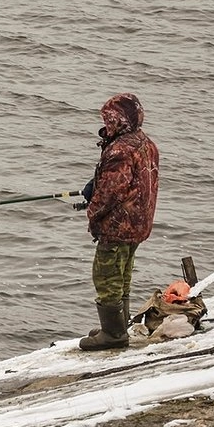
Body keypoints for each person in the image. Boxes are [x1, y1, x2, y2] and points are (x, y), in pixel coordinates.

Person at [77, 93, 160, 351]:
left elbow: (110, 193)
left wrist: (93, 213)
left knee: (106, 277)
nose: (106, 123)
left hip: (118, 225)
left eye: (109, 119)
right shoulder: (145, 143)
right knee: (122, 275)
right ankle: (117, 326)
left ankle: (113, 335)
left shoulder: (120, 150)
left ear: (120, 120)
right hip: (138, 223)